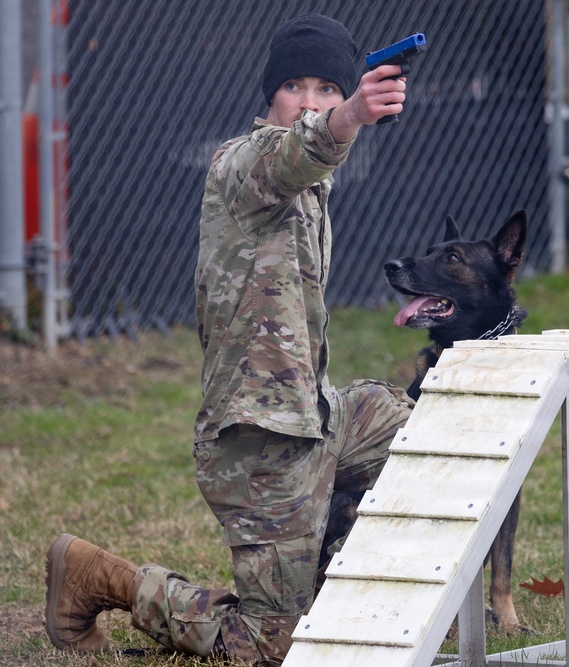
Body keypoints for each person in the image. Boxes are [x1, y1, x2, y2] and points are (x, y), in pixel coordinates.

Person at [44, 13, 415, 664]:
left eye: (327, 89)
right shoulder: (241, 167)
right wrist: (349, 114)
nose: (308, 101)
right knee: (272, 646)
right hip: (260, 444)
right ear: (269, 97)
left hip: (318, 417)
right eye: (294, 87)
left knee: (424, 437)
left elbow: (309, 161)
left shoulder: (312, 186)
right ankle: (102, 577)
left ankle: (340, 581)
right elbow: (293, 153)